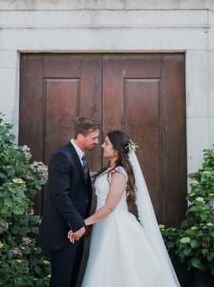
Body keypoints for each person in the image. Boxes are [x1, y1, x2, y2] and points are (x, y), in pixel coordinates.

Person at [70, 130, 180, 287]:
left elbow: (109, 208)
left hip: (116, 227)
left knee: (116, 270)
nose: (102, 145)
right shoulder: (108, 171)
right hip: (104, 225)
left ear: (117, 149)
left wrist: (83, 223)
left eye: (106, 143)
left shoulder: (119, 173)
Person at [37, 117, 100, 287]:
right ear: (80, 136)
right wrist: (78, 224)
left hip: (76, 232)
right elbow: (60, 195)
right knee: (61, 281)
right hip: (63, 232)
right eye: (93, 138)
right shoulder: (62, 157)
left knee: (71, 280)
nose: (97, 142)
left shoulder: (80, 157)